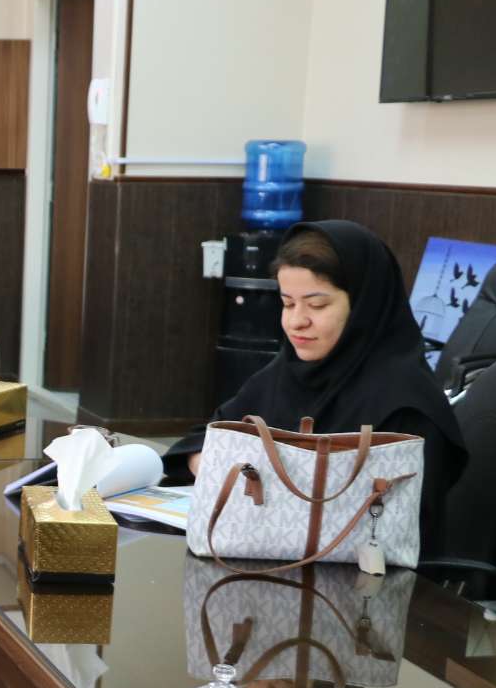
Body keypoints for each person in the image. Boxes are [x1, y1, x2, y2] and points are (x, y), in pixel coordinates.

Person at [165, 220, 466, 554]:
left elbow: (403, 532)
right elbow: (204, 438)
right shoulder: (286, 373)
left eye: (317, 305)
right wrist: (217, 466)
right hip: (268, 561)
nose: (297, 321)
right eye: (287, 303)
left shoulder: (408, 404)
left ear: (363, 305)